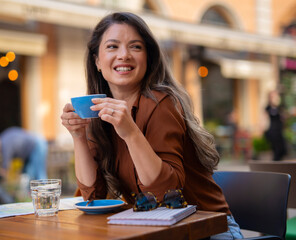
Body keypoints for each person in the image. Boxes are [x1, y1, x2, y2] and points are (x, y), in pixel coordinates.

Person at [61, 12, 243, 239]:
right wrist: (78, 136)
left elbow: (165, 192)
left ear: (147, 58)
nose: (124, 55)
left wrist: (130, 132)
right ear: (97, 60)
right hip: (154, 229)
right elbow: (93, 195)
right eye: (112, 47)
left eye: (135, 47)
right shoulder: (99, 111)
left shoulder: (162, 103)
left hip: (206, 229)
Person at [264, 90, 287, 161]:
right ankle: (276, 165)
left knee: (282, 150)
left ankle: (278, 164)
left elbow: (283, 118)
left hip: (279, 131)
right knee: (276, 150)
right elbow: (264, 119)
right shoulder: (268, 108)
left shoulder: (280, 108)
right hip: (272, 131)